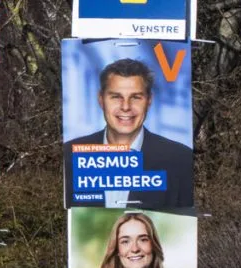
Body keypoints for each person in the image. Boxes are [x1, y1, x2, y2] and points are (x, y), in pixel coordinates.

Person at [63, 59, 194, 209]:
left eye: (136, 97)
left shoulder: (180, 159)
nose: (126, 107)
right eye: (116, 97)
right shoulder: (70, 155)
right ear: (101, 99)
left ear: (149, 101)